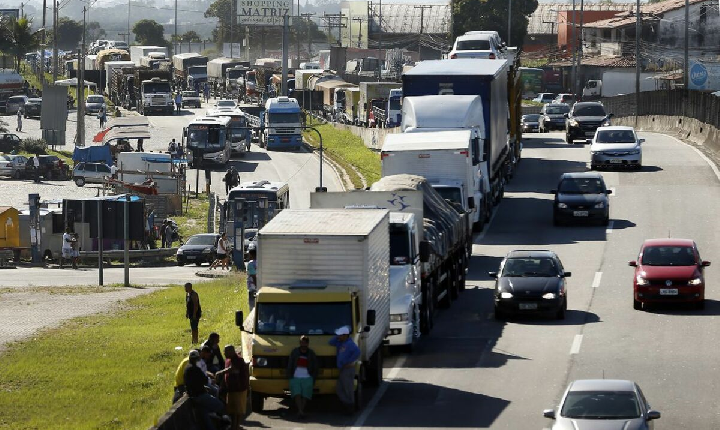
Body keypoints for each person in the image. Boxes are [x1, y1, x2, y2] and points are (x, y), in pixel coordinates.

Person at [184, 350, 226, 430]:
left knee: (204, 414)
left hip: (192, 396)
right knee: (220, 405)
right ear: (197, 358)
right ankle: (217, 419)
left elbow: (192, 383)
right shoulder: (196, 369)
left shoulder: (186, 369)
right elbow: (204, 380)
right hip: (200, 395)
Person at [329, 326, 360, 415]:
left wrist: (350, 362)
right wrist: (337, 337)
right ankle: (348, 404)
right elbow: (330, 342)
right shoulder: (340, 343)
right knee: (339, 389)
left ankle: (351, 406)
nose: (338, 336)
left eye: (340, 335)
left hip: (348, 369)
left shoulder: (350, 344)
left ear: (345, 335)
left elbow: (357, 352)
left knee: (348, 389)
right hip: (343, 369)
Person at [217, 345, 249, 430]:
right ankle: (234, 426)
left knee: (237, 411)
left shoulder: (238, 360)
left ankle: (235, 426)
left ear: (231, 351)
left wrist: (220, 372)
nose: (224, 353)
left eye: (226, 351)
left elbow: (232, 369)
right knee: (232, 410)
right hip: (231, 389)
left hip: (239, 389)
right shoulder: (228, 360)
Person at [287, 335, 318, 418]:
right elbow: (290, 364)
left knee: (305, 395)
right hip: (295, 376)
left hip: (307, 377)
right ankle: (300, 410)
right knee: (297, 393)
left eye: (305, 343)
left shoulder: (311, 353)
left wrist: (313, 377)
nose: (303, 344)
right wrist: (289, 375)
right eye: (302, 343)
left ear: (307, 344)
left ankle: (301, 410)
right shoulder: (294, 352)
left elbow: (315, 366)